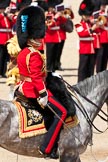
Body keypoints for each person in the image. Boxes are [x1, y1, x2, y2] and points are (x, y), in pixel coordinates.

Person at [16, 5, 67, 159]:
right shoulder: (34, 54)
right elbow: (37, 78)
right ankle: (47, 148)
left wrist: (52, 74)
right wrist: (43, 94)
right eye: (39, 37)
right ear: (33, 37)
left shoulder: (24, 52)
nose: (41, 39)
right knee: (62, 112)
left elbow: (34, 72)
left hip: (24, 87)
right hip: (34, 90)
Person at [75, 0, 97, 82]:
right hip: (84, 50)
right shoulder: (79, 24)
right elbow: (82, 34)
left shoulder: (90, 24)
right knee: (82, 70)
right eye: (86, 15)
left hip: (91, 50)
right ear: (82, 15)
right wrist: (92, 29)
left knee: (90, 69)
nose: (88, 17)